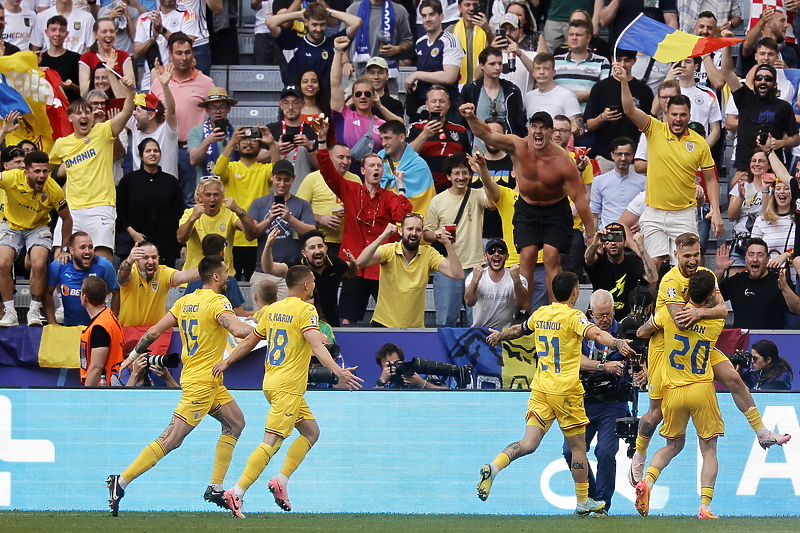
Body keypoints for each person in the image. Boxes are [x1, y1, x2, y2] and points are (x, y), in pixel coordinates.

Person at [628, 232, 791, 488]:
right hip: (664, 350)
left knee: (734, 378)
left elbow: (722, 309)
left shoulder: (705, 275)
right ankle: (639, 454)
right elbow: (679, 318)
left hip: (695, 342)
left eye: (696, 255)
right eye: (687, 256)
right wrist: (702, 311)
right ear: (677, 255)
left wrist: (699, 311)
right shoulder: (670, 281)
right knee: (655, 413)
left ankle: (763, 433)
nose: (693, 261)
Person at [106, 255, 255, 517]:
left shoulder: (185, 302)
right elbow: (239, 330)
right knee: (171, 439)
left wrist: (131, 357)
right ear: (216, 277)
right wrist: (262, 325)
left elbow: (153, 332)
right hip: (201, 384)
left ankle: (215, 487)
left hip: (207, 380)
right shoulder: (219, 302)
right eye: (226, 272)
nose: (230, 276)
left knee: (236, 423)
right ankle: (122, 480)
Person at [480, 271, 635, 516]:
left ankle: (494, 466)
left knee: (528, 443)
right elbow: (596, 334)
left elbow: (519, 330)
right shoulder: (574, 317)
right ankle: (583, 501)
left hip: (541, 389)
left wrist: (499, 336)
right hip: (566, 392)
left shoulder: (541, 314)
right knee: (577, 449)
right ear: (575, 293)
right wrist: (616, 343)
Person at [214, 265, 363, 517]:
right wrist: (339, 372)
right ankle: (237, 491)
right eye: (313, 281)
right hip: (288, 388)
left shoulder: (272, 309)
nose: (314, 285)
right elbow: (317, 344)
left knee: (311, 432)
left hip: (272, 383)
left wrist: (227, 362)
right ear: (306, 285)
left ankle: (281, 480)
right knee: (271, 442)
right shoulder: (306, 310)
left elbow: (250, 341)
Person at [460, 105, 595, 305]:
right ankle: (524, 311)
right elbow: (488, 134)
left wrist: (591, 233)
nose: (538, 131)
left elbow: (579, 198)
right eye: (534, 126)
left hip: (555, 209)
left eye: (543, 128)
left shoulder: (563, 161)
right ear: (529, 129)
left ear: (551, 132)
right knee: (527, 256)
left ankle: (556, 311)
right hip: (527, 207)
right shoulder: (517, 145)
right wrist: (471, 117)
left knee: (551, 257)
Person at [634, 269, 726, 518]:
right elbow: (721, 310)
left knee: (672, 445)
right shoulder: (715, 321)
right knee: (709, 450)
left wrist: (650, 331)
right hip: (700, 388)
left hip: (673, 391)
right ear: (709, 296)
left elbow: (642, 331)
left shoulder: (668, 314)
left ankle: (647, 482)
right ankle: (705, 507)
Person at [616, 62, 723, 269]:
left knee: (687, 266)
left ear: (689, 116)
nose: (678, 119)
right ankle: (652, 302)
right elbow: (629, 110)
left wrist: (717, 212)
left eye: (683, 115)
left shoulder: (700, 142)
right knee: (652, 264)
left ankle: (687, 302)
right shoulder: (654, 128)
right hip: (654, 211)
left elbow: (711, 179)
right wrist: (623, 82)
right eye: (674, 114)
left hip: (684, 212)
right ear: (666, 114)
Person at [314, 117, 411, 325]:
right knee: (347, 318)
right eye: (372, 166)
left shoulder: (389, 196)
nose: (376, 169)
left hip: (381, 266)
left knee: (390, 319)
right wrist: (322, 140)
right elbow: (327, 172)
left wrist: (401, 185)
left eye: (379, 166)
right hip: (353, 264)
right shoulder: (350, 189)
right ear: (363, 170)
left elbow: (402, 215)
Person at [49, 76, 137, 262]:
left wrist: (129, 90)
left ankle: (96, 292)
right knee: (60, 259)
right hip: (71, 209)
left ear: (91, 116)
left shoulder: (103, 131)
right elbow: (46, 170)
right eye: (79, 113)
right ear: (70, 117)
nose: (84, 116)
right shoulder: (61, 144)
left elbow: (127, 111)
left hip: (101, 207)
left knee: (102, 263)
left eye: (87, 113)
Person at [562, 288, 629, 515]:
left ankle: (603, 505)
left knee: (606, 452)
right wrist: (603, 366)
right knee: (570, 451)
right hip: (585, 401)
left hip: (614, 402)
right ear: (591, 313)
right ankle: (590, 496)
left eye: (608, 314)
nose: (605, 319)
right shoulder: (581, 331)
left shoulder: (623, 331)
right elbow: (573, 360)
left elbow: (639, 358)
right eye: (600, 315)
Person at [0, 150, 72, 327]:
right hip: (11, 225)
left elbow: (67, 219)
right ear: (26, 172)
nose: (42, 176)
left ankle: (34, 310)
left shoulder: (53, 189)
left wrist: (64, 248)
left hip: (38, 227)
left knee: (39, 263)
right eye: (37, 171)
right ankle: (10, 312)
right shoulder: (11, 178)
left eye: (45, 171)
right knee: (2, 262)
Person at [424, 151, 493, 327]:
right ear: (448, 176)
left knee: (477, 321)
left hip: (475, 267)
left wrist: (482, 171)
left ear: (470, 175)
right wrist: (437, 234)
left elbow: (492, 203)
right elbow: (426, 233)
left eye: (465, 173)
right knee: (446, 320)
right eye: (456, 173)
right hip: (447, 268)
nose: (461, 177)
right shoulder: (438, 200)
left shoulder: (477, 195)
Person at [357, 214, 463, 328]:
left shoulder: (429, 253)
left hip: (415, 328)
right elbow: (361, 262)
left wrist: (447, 244)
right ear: (401, 231)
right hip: (384, 324)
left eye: (418, 230)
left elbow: (457, 274)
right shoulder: (389, 250)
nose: (414, 233)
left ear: (422, 233)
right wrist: (383, 236)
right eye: (410, 229)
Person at [721, 29, 799, 178]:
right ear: (754, 81)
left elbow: (796, 138)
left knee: (766, 202)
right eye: (760, 78)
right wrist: (727, 44)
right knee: (737, 202)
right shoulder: (744, 98)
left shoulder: (783, 106)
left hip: (772, 169)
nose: (763, 81)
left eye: (768, 79)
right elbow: (727, 71)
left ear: (775, 84)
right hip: (743, 168)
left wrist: (780, 143)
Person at [149, 32, 215, 207]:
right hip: (164, 149)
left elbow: (217, 114)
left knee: (191, 201)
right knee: (163, 200)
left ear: (193, 54)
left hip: (191, 150)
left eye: (188, 52)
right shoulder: (158, 83)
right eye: (178, 53)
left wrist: (201, 142)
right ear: (170, 54)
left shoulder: (206, 83)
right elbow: (151, 118)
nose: (183, 57)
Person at [246, 159, 316, 301]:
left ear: (293, 180)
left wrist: (290, 218)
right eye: (278, 179)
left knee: (290, 317)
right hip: (263, 271)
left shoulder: (302, 204)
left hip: (291, 272)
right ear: (272, 177)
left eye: (286, 180)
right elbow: (250, 234)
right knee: (261, 317)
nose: (282, 184)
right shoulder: (259, 203)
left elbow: (312, 232)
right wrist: (269, 219)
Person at [214, 126, 277, 281]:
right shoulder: (231, 167)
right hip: (232, 237)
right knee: (227, 282)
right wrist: (232, 142)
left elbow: (278, 172)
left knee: (257, 283)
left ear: (260, 146)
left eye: (253, 140)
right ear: (238, 145)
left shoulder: (264, 169)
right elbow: (218, 171)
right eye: (244, 140)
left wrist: (272, 144)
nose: (248, 143)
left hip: (257, 237)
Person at [261, 228, 356, 327]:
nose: (317, 251)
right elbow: (270, 268)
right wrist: (268, 246)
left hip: (331, 323)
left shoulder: (334, 262)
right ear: (304, 253)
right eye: (312, 248)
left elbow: (351, 273)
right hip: (303, 323)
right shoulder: (297, 268)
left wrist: (353, 264)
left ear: (326, 248)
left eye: (320, 246)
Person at [116, 138, 184, 268]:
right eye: (148, 151)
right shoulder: (128, 181)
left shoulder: (171, 182)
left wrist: (181, 245)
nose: (152, 154)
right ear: (141, 155)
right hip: (134, 241)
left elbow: (179, 215)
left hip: (165, 243)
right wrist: (133, 233)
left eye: (156, 151)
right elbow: (121, 213)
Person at [584, 48, 652, 174]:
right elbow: (589, 125)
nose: (622, 65)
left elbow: (649, 127)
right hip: (605, 157)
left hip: (633, 159)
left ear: (634, 61)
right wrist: (602, 118)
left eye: (627, 60)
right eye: (618, 60)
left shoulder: (644, 91)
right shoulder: (600, 88)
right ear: (612, 60)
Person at [267, 1, 362, 87]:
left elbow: (357, 22)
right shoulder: (293, 43)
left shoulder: (333, 43)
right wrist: (300, 14)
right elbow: (270, 22)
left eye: (322, 24)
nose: (319, 29)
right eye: (314, 24)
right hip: (298, 101)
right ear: (306, 22)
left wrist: (329, 12)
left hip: (324, 102)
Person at [330, 35, 388, 175]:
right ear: (353, 97)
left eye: (367, 94)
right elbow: (335, 83)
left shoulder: (382, 124)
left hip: (370, 181)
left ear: (374, 97)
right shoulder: (343, 115)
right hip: (343, 176)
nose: (362, 97)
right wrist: (338, 52)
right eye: (358, 94)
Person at [177, 177, 258, 276]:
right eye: (208, 195)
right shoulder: (190, 213)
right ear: (199, 197)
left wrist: (239, 210)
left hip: (224, 276)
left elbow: (252, 232)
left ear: (222, 197)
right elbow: (181, 238)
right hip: (196, 276)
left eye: (216, 195)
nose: (212, 199)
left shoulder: (229, 213)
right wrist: (193, 218)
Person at [715, 238, 800, 329]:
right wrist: (720, 270)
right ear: (745, 259)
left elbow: (797, 309)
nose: (755, 259)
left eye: (760, 255)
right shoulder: (737, 280)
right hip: (742, 340)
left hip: (771, 339)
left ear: (767, 260)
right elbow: (709, 298)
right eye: (751, 255)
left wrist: (785, 288)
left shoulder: (779, 280)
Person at [295, 142, 360, 257]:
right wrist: (320, 218)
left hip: (347, 241)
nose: (345, 162)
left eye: (348, 158)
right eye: (341, 157)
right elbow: (297, 209)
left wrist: (350, 211)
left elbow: (362, 209)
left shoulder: (356, 180)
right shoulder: (313, 178)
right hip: (319, 243)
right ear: (329, 158)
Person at [584, 223, 658, 321]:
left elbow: (653, 278)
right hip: (600, 318)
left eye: (617, 238)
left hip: (627, 319)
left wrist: (641, 248)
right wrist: (595, 244)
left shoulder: (634, 261)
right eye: (609, 239)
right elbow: (588, 259)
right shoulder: (599, 261)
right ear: (604, 243)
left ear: (625, 242)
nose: (613, 243)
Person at [405, 0, 464, 123]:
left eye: (432, 14)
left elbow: (449, 77)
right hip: (423, 104)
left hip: (446, 105)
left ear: (441, 16)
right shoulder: (420, 42)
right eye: (424, 16)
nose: (427, 19)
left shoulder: (450, 41)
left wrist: (417, 75)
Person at [44, 231, 119, 327]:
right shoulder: (59, 265)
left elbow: (117, 292)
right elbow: (47, 293)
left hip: (97, 327)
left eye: (91, 247)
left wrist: (113, 320)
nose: (87, 251)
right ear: (71, 250)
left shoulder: (104, 265)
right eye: (82, 247)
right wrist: (52, 322)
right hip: (69, 327)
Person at [117, 241, 199, 328]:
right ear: (136, 261)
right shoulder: (131, 272)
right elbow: (121, 279)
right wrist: (129, 261)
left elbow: (183, 276)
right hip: (128, 333)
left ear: (158, 259)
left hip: (155, 335)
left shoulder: (163, 272)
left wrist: (207, 268)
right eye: (145, 258)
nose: (150, 261)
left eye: (154, 257)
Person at [408, 85, 471, 193]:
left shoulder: (460, 130)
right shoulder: (416, 128)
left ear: (448, 105)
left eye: (442, 101)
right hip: (423, 190)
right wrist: (424, 135)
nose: (437, 105)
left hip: (453, 190)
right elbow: (407, 157)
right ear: (427, 105)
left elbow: (468, 161)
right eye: (433, 101)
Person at [460, 46, 527, 139]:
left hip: (505, 148)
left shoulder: (512, 90)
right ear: (482, 66)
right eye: (492, 64)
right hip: (476, 148)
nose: (497, 67)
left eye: (500, 63)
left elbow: (520, 124)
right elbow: (461, 122)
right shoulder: (470, 89)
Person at [133, 0, 201, 91]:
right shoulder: (145, 18)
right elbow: (137, 55)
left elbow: (187, 45)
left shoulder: (188, 13)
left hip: (179, 81)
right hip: (149, 83)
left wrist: (161, 29)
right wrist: (153, 38)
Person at [127, 62, 179, 180]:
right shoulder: (136, 126)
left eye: (138, 110)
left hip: (166, 189)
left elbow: (171, 111)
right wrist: (127, 89)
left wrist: (165, 86)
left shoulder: (167, 131)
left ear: (151, 116)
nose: (134, 113)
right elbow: (124, 109)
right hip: (141, 188)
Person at [377, 119, 435, 218]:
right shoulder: (377, 162)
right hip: (383, 222)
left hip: (411, 226)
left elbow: (427, 200)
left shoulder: (419, 165)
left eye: (387, 138)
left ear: (402, 137)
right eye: (382, 139)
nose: (384, 143)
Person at [345, 0, 414, 83]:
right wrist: (345, 62)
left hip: (387, 80)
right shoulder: (353, 9)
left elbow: (407, 41)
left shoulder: (399, 10)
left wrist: (397, 49)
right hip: (358, 77)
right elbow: (342, 40)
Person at [464, 238, 527, 329]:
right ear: (485, 256)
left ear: (507, 256)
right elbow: (469, 302)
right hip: (480, 330)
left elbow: (521, 302)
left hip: (504, 332)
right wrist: (475, 280)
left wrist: (516, 280)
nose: (496, 254)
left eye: (501, 251)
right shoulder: (474, 276)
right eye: (491, 251)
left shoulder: (518, 277)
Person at [724, 149, 770, 273]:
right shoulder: (744, 186)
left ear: (769, 165)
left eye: (761, 161)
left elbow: (767, 215)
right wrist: (740, 196)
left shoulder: (774, 188)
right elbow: (731, 216)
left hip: (763, 241)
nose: (757, 164)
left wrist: (766, 191)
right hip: (741, 241)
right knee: (734, 283)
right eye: (754, 161)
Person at [265, 86, 320, 190]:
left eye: (295, 102)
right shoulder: (270, 129)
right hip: (274, 193)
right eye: (286, 102)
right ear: (281, 104)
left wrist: (310, 147)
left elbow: (321, 167)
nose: (290, 107)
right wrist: (275, 150)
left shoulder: (313, 131)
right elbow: (257, 159)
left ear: (302, 104)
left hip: (303, 192)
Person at [184, 234, 250, 316]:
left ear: (202, 253)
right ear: (222, 253)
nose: (228, 274)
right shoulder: (229, 280)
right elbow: (239, 313)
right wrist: (259, 313)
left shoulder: (192, 280)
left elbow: (185, 308)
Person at [553, 18, 610, 113]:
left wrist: (585, 95)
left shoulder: (602, 62)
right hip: (559, 121)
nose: (574, 38)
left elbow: (606, 91)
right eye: (571, 34)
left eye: (578, 35)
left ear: (588, 38)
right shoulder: (555, 61)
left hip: (588, 121)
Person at [590, 136, 646, 229]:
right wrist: (591, 238)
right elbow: (594, 212)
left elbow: (649, 210)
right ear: (612, 155)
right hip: (607, 234)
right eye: (619, 154)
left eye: (627, 154)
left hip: (634, 234)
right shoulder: (599, 181)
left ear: (633, 156)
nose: (623, 158)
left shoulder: (643, 181)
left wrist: (641, 225)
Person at [522, 53, 583, 136]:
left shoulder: (567, 96)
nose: (541, 72)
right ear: (533, 73)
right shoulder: (528, 97)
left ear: (554, 72)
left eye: (546, 69)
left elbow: (579, 129)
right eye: (538, 68)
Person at [80, 277, 124, 387]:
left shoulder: (100, 327)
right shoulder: (108, 315)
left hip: (102, 389)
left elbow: (97, 367)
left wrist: (85, 393)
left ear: (85, 298)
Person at [188, 87, 239, 181]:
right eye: (213, 107)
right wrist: (207, 141)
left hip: (233, 186)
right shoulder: (196, 131)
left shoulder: (237, 131)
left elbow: (255, 156)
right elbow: (194, 161)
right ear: (207, 110)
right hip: (207, 188)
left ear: (228, 109)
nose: (218, 111)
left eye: (222, 107)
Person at [78, 17, 136, 96]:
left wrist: (111, 73)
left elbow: (132, 88)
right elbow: (83, 92)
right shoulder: (86, 57)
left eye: (112, 31)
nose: (108, 35)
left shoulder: (124, 56)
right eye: (104, 32)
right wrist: (99, 77)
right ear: (95, 35)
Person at [445, 0, 493, 87]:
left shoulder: (488, 30)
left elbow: (496, 51)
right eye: (467, 5)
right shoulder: (450, 30)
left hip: (483, 85)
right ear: (459, 8)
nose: (471, 9)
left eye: (475, 5)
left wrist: (488, 31)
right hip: (457, 85)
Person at [37, 15, 82, 102]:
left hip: (71, 107)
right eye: (53, 30)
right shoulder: (40, 59)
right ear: (46, 32)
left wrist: (71, 86)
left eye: (61, 31)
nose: (57, 34)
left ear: (67, 34)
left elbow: (84, 91)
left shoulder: (75, 58)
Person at [374, 342, 448, 389]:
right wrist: (381, 382)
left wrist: (422, 384)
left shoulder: (419, 375)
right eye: (388, 366)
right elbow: (372, 404)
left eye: (396, 363)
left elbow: (449, 392)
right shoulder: (383, 385)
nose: (393, 367)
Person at [30, 0, 95, 53]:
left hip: (76, 65)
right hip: (49, 66)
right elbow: (35, 47)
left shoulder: (87, 18)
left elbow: (91, 48)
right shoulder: (42, 17)